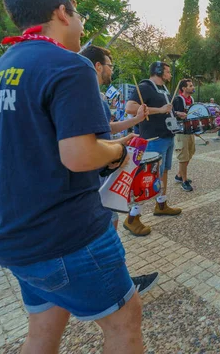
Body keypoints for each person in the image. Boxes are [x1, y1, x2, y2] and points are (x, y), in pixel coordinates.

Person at [0, 0, 143, 353]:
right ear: (60, 12)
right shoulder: (69, 65)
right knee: (124, 321)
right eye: (79, 16)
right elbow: (79, 155)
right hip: (62, 233)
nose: (82, 27)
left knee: (43, 328)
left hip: (8, 232)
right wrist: (117, 153)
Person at [80, 45, 159, 295]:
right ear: (98, 66)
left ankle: (115, 279)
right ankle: (117, 285)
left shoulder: (96, 95)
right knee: (107, 229)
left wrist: (134, 122)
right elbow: (90, 141)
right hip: (96, 177)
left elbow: (106, 127)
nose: (112, 69)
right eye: (110, 64)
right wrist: (118, 148)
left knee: (109, 226)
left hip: (101, 175)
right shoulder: (86, 94)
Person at [125, 61, 182, 236]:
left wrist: (174, 113)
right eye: (167, 71)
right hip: (152, 139)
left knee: (163, 172)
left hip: (167, 136)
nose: (170, 74)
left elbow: (164, 111)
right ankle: (132, 217)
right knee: (146, 176)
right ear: (158, 71)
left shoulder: (163, 89)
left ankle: (161, 203)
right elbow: (130, 108)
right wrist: (160, 109)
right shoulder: (145, 86)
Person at [172, 79, 196, 192]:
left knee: (190, 153)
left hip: (190, 131)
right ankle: (184, 181)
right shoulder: (177, 99)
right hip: (181, 132)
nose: (193, 87)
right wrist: (177, 113)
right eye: (190, 86)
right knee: (183, 156)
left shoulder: (191, 99)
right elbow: (169, 111)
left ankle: (179, 175)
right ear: (183, 88)